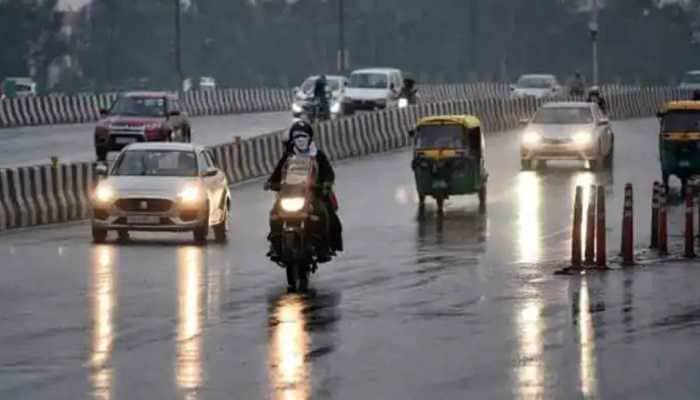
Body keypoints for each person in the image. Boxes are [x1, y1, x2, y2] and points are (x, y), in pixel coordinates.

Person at [266, 121, 343, 263]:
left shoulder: (318, 155)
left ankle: (324, 247)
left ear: (310, 138)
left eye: (304, 136)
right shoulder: (288, 156)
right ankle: (275, 246)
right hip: (290, 194)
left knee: (324, 214)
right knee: (274, 215)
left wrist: (325, 184)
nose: (300, 140)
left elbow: (328, 173)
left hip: (313, 194)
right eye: (297, 136)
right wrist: (271, 183)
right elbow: (277, 173)